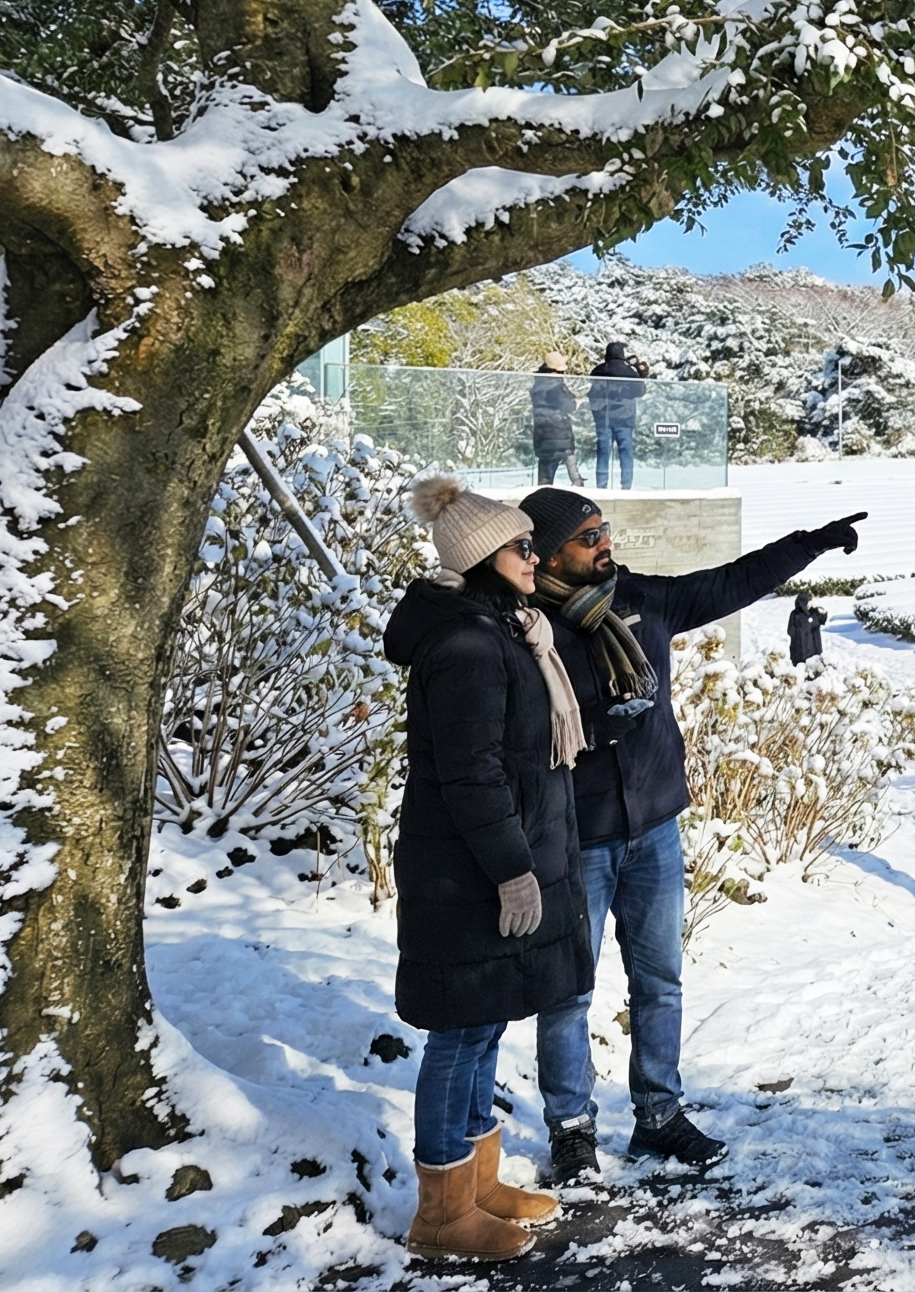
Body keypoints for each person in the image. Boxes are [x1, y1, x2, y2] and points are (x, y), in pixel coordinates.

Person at [518, 487, 867, 1180]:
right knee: (568, 992)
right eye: (589, 537)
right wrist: (595, 729)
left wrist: (811, 543)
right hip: (577, 835)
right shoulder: (528, 631)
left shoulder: (640, 598)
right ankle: (571, 1129)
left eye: (605, 529)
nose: (605, 543)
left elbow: (730, 582)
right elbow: (518, 734)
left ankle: (658, 1116)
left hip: (654, 827)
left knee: (661, 981)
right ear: (551, 554)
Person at [384, 476, 593, 1262]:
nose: (535, 557)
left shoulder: (503, 629)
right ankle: (442, 1213)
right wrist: (512, 869)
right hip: (464, 872)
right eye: (520, 548)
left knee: (485, 1021)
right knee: (460, 1034)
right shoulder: (468, 647)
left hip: (485, 862)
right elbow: (472, 775)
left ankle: (477, 1182)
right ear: (479, 560)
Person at [588, 341, 644, 490]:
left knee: (603, 452)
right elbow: (640, 392)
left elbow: (593, 393)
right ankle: (626, 485)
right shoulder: (629, 372)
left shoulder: (598, 371)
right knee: (626, 452)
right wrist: (641, 374)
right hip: (625, 418)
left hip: (604, 417)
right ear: (622, 355)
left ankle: (601, 485)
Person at [530, 353, 580, 485]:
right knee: (569, 459)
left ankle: (543, 490)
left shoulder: (537, 384)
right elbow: (568, 406)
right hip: (559, 430)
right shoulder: (556, 386)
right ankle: (578, 484)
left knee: (545, 468)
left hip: (541, 431)